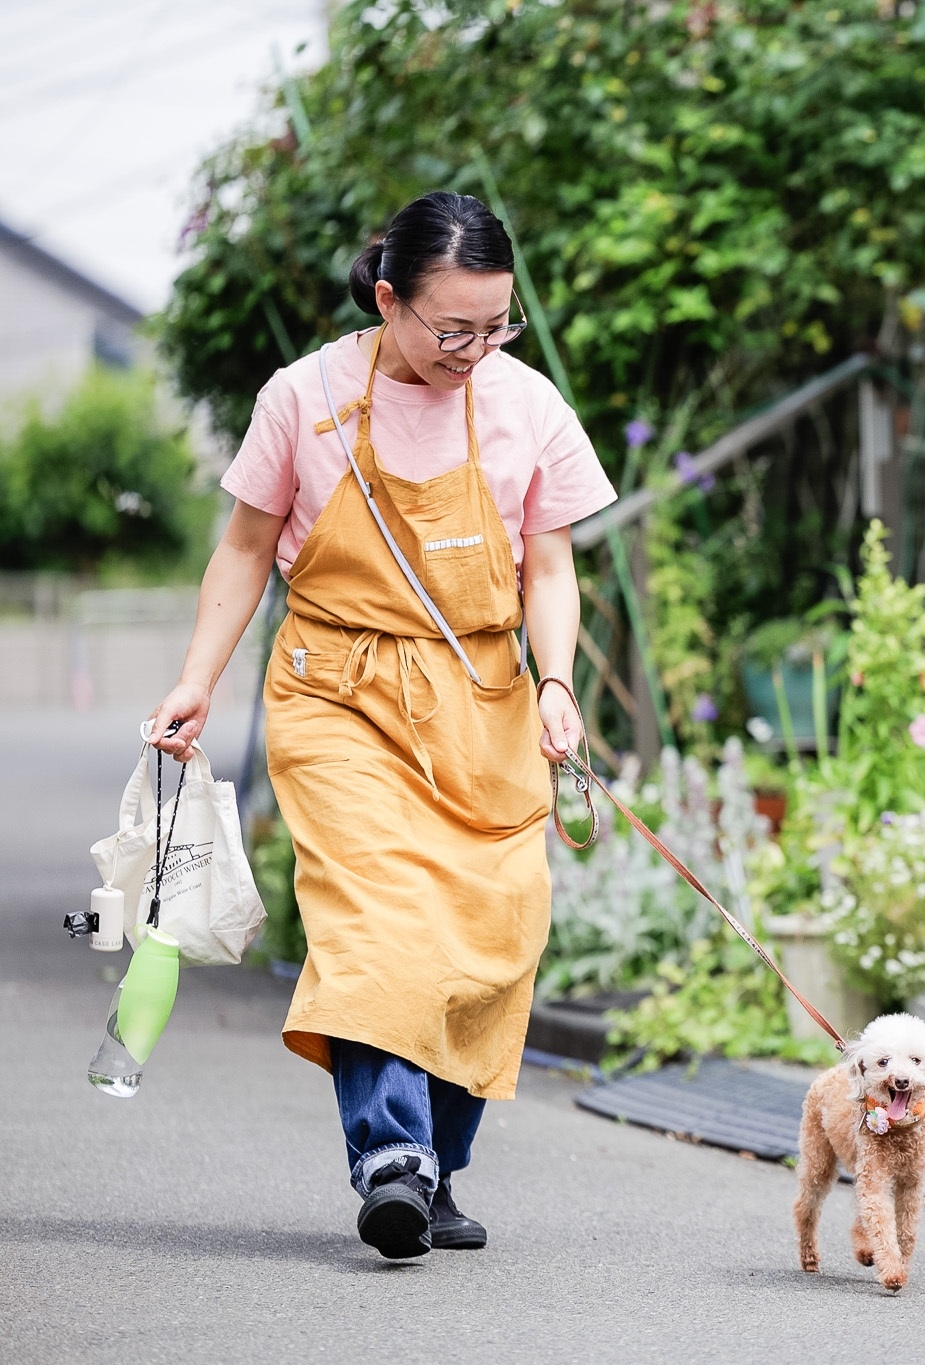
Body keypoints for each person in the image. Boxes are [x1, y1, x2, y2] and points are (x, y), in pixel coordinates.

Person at [146, 191, 616, 1260]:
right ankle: (389, 1156)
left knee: (491, 935)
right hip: (335, 691)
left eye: (497, 326)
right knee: (377, 917)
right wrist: (195, 680)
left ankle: (438, 1172)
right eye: (453, 327)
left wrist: (557, 683)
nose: (476, 349)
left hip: (484, 699)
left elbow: (549, 564)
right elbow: (243, 548)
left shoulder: (526, 404)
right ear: (390, 298)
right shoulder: (302, 398)